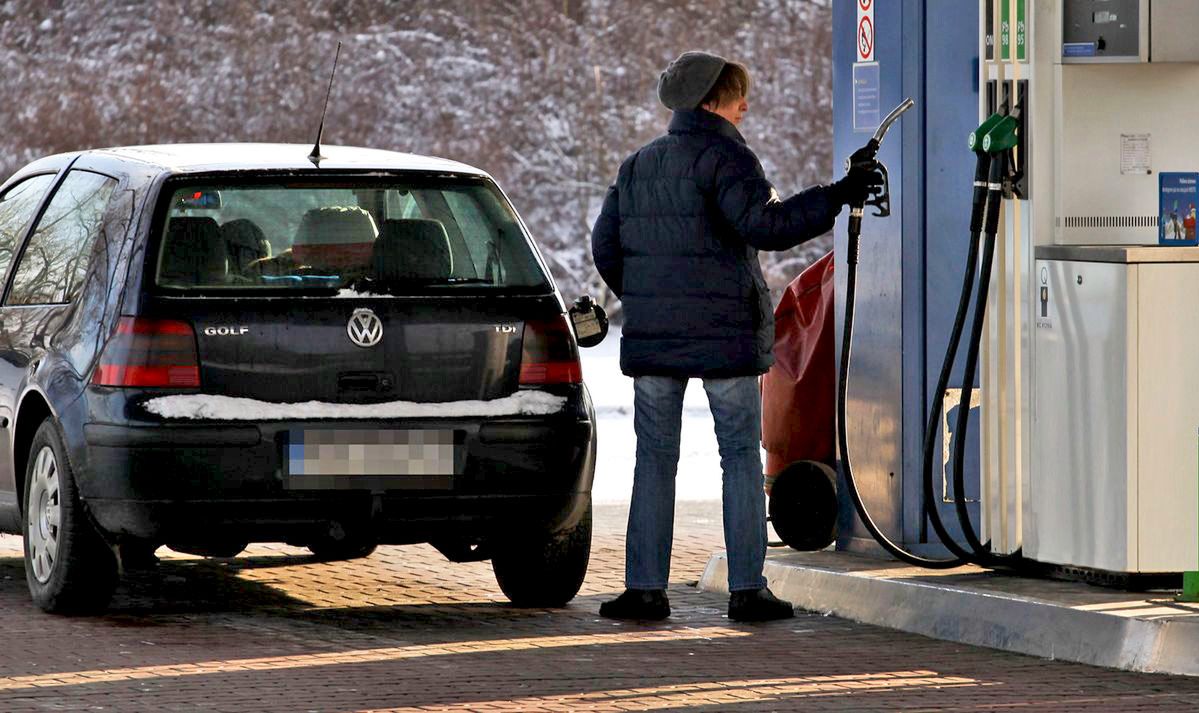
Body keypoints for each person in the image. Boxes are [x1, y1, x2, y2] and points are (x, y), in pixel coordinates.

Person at [591, 51, 880, 622]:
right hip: (726, 337)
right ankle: (748, 589)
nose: (745, 103)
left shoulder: (637, 165)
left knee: (653, 460)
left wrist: (651, 299)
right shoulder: (727, 157)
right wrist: (840, 193)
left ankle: (644, 589)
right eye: (736, 94)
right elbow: (766, 227)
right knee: (740, 459)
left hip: (656, 342)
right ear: (710, 102)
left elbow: (606, 248)